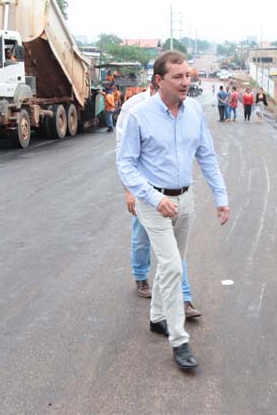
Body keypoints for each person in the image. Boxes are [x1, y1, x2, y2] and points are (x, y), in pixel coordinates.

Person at [117, 50, 230, 370]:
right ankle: (179, 340)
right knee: (173, 266)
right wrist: (152, 198)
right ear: (159, 80)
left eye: (188, 76)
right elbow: (125, 164)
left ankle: (156, 318)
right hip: (154, 203)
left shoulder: (194, 110)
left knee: (173, 264)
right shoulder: (140, 115)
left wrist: (221, 196)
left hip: (186, 199)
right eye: (178, 77)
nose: (186, 83)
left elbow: (206, 156)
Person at [115, 79, 201, 319]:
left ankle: (183, 299)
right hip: (144, 189)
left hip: (172, 191)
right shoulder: (134, 108)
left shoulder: (181, 106)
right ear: (158, 84)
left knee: (173, 252)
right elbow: (122, 152)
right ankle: (141, 276)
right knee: (141, 237)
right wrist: (129, 190)